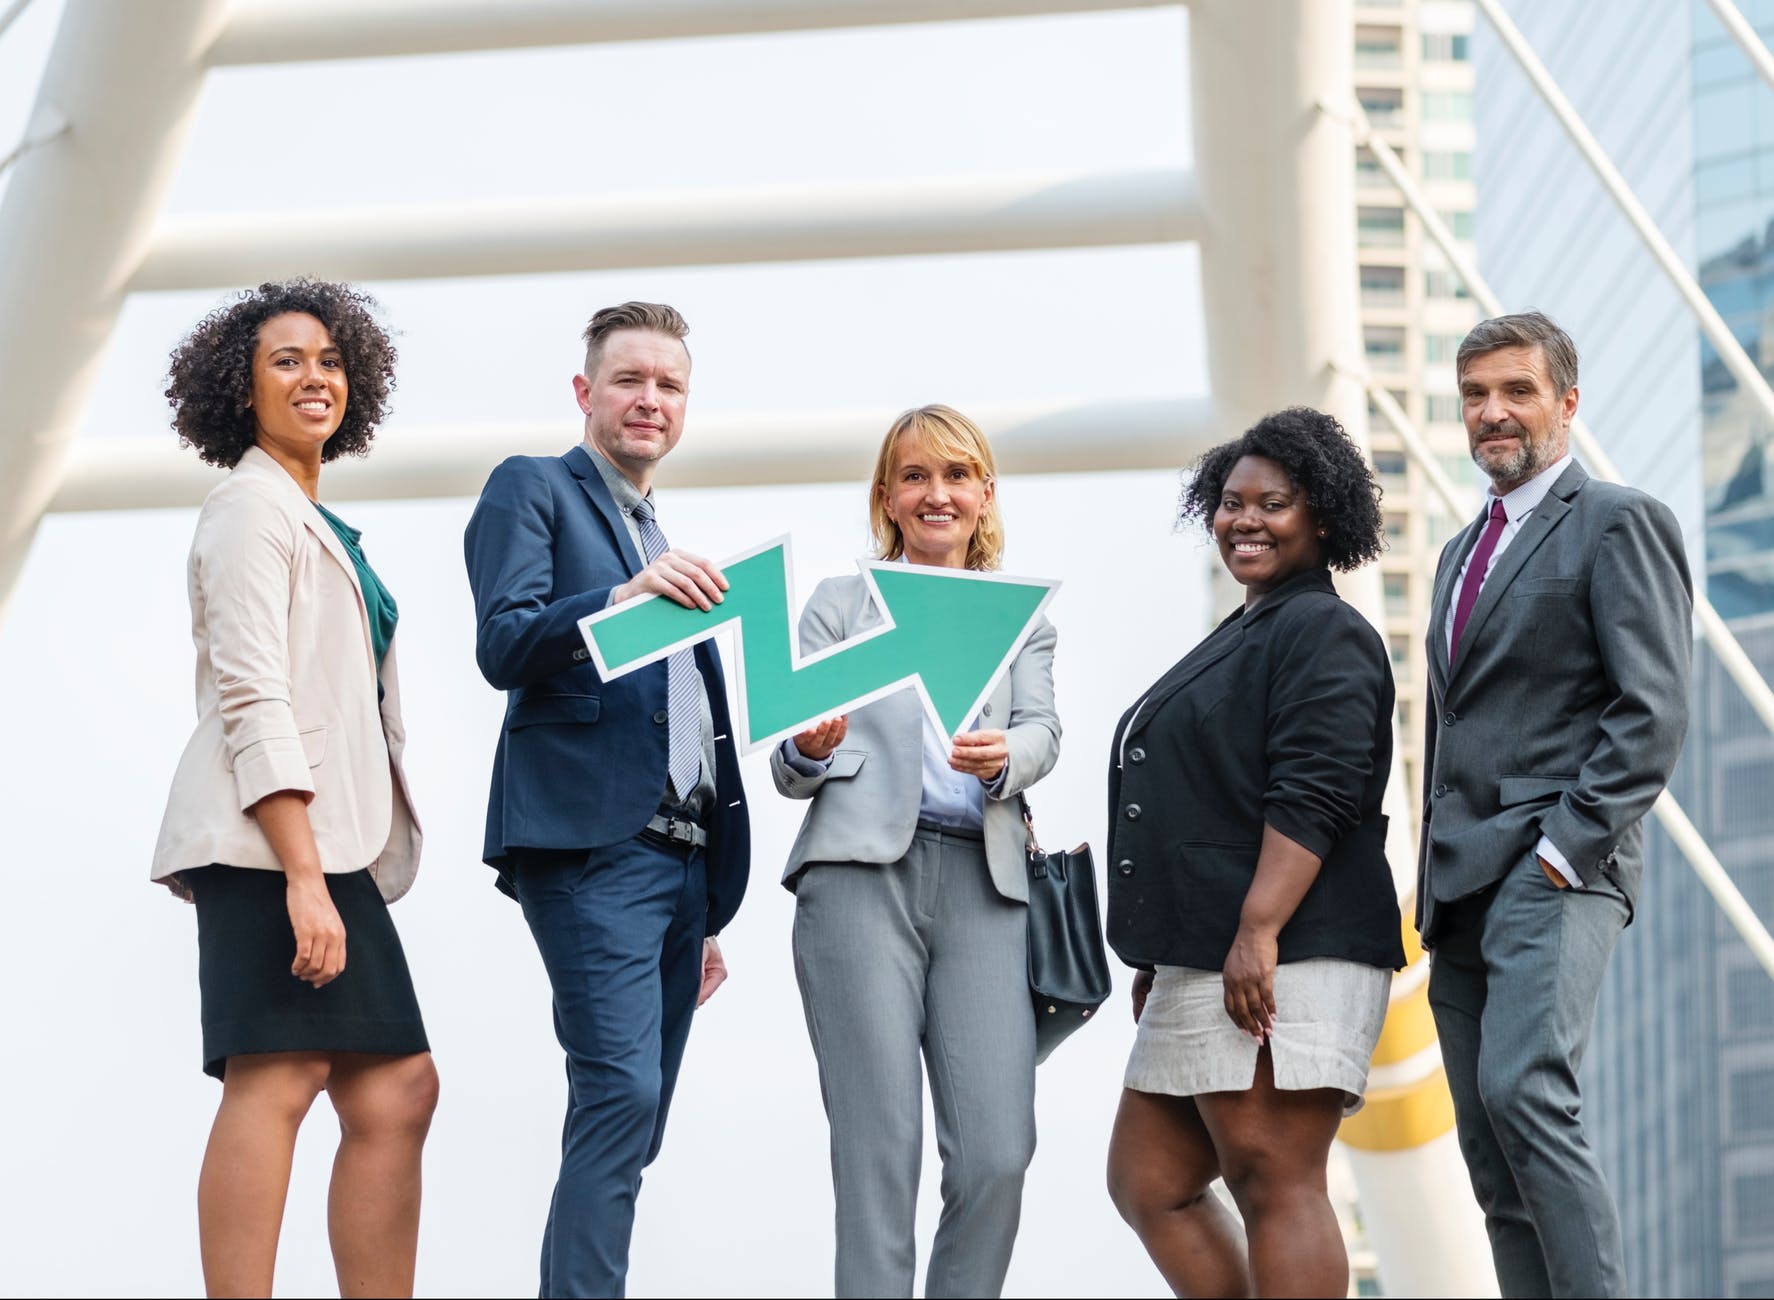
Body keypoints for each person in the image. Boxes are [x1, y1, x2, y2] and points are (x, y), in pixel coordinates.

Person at [150, 279, 437, 1299]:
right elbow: (252, 693)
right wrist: (303, 875)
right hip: (268, 840)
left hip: (324, 842)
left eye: (327, 359)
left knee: (396, 1087)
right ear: (241, 390)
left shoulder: (309, 514)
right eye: (285, 360)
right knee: (276, 1074)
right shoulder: (246, 508)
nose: (313, 376)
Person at [463, 300, 750, 1299]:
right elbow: (505, 646)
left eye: (668, 385)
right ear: (586, 393)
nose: (649, 399)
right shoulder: (531, 488)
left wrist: (706, 898)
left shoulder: (658, 531)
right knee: (618, 1090)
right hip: (592, 845)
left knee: (637, 1115)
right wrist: (625, 599)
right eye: (629, 379)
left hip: (679, 865)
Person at [1104, 407, 1406, 1298]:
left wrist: (1258, 929)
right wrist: (1169, 943)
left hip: (1285, 949)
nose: (1246, 520)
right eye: (1231, 502)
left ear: (1323, 517)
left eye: (1273, 504)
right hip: (1208, 949)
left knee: (1276, 1180)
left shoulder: (1325, 631)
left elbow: (1315, 792)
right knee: (1149, 1183)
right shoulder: (1254, 626)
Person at [1417, 312, 1691, 1298]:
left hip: (1552, 868)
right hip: (1457, 891)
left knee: (1522, 1089)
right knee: (1491, 1159)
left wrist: (1563, 850)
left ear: (1565, 403)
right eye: (1475, 395)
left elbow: (1652, 708)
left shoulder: (1617, 521)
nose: (1492, 412)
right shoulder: (1456, 554)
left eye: (1516, 391)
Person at [771, 404, 1060, 1299]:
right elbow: (789, 763)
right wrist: (810, 746)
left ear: (984, 494)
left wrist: (1011, 755)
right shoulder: (840, 604)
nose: (938, 493)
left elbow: (1044, 728)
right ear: (887, 497)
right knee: (876, 1153)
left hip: (986, 884)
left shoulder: (1023, 618)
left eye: (957, 475)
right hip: (861, 880)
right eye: (915, 476)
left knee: (998, 1153)